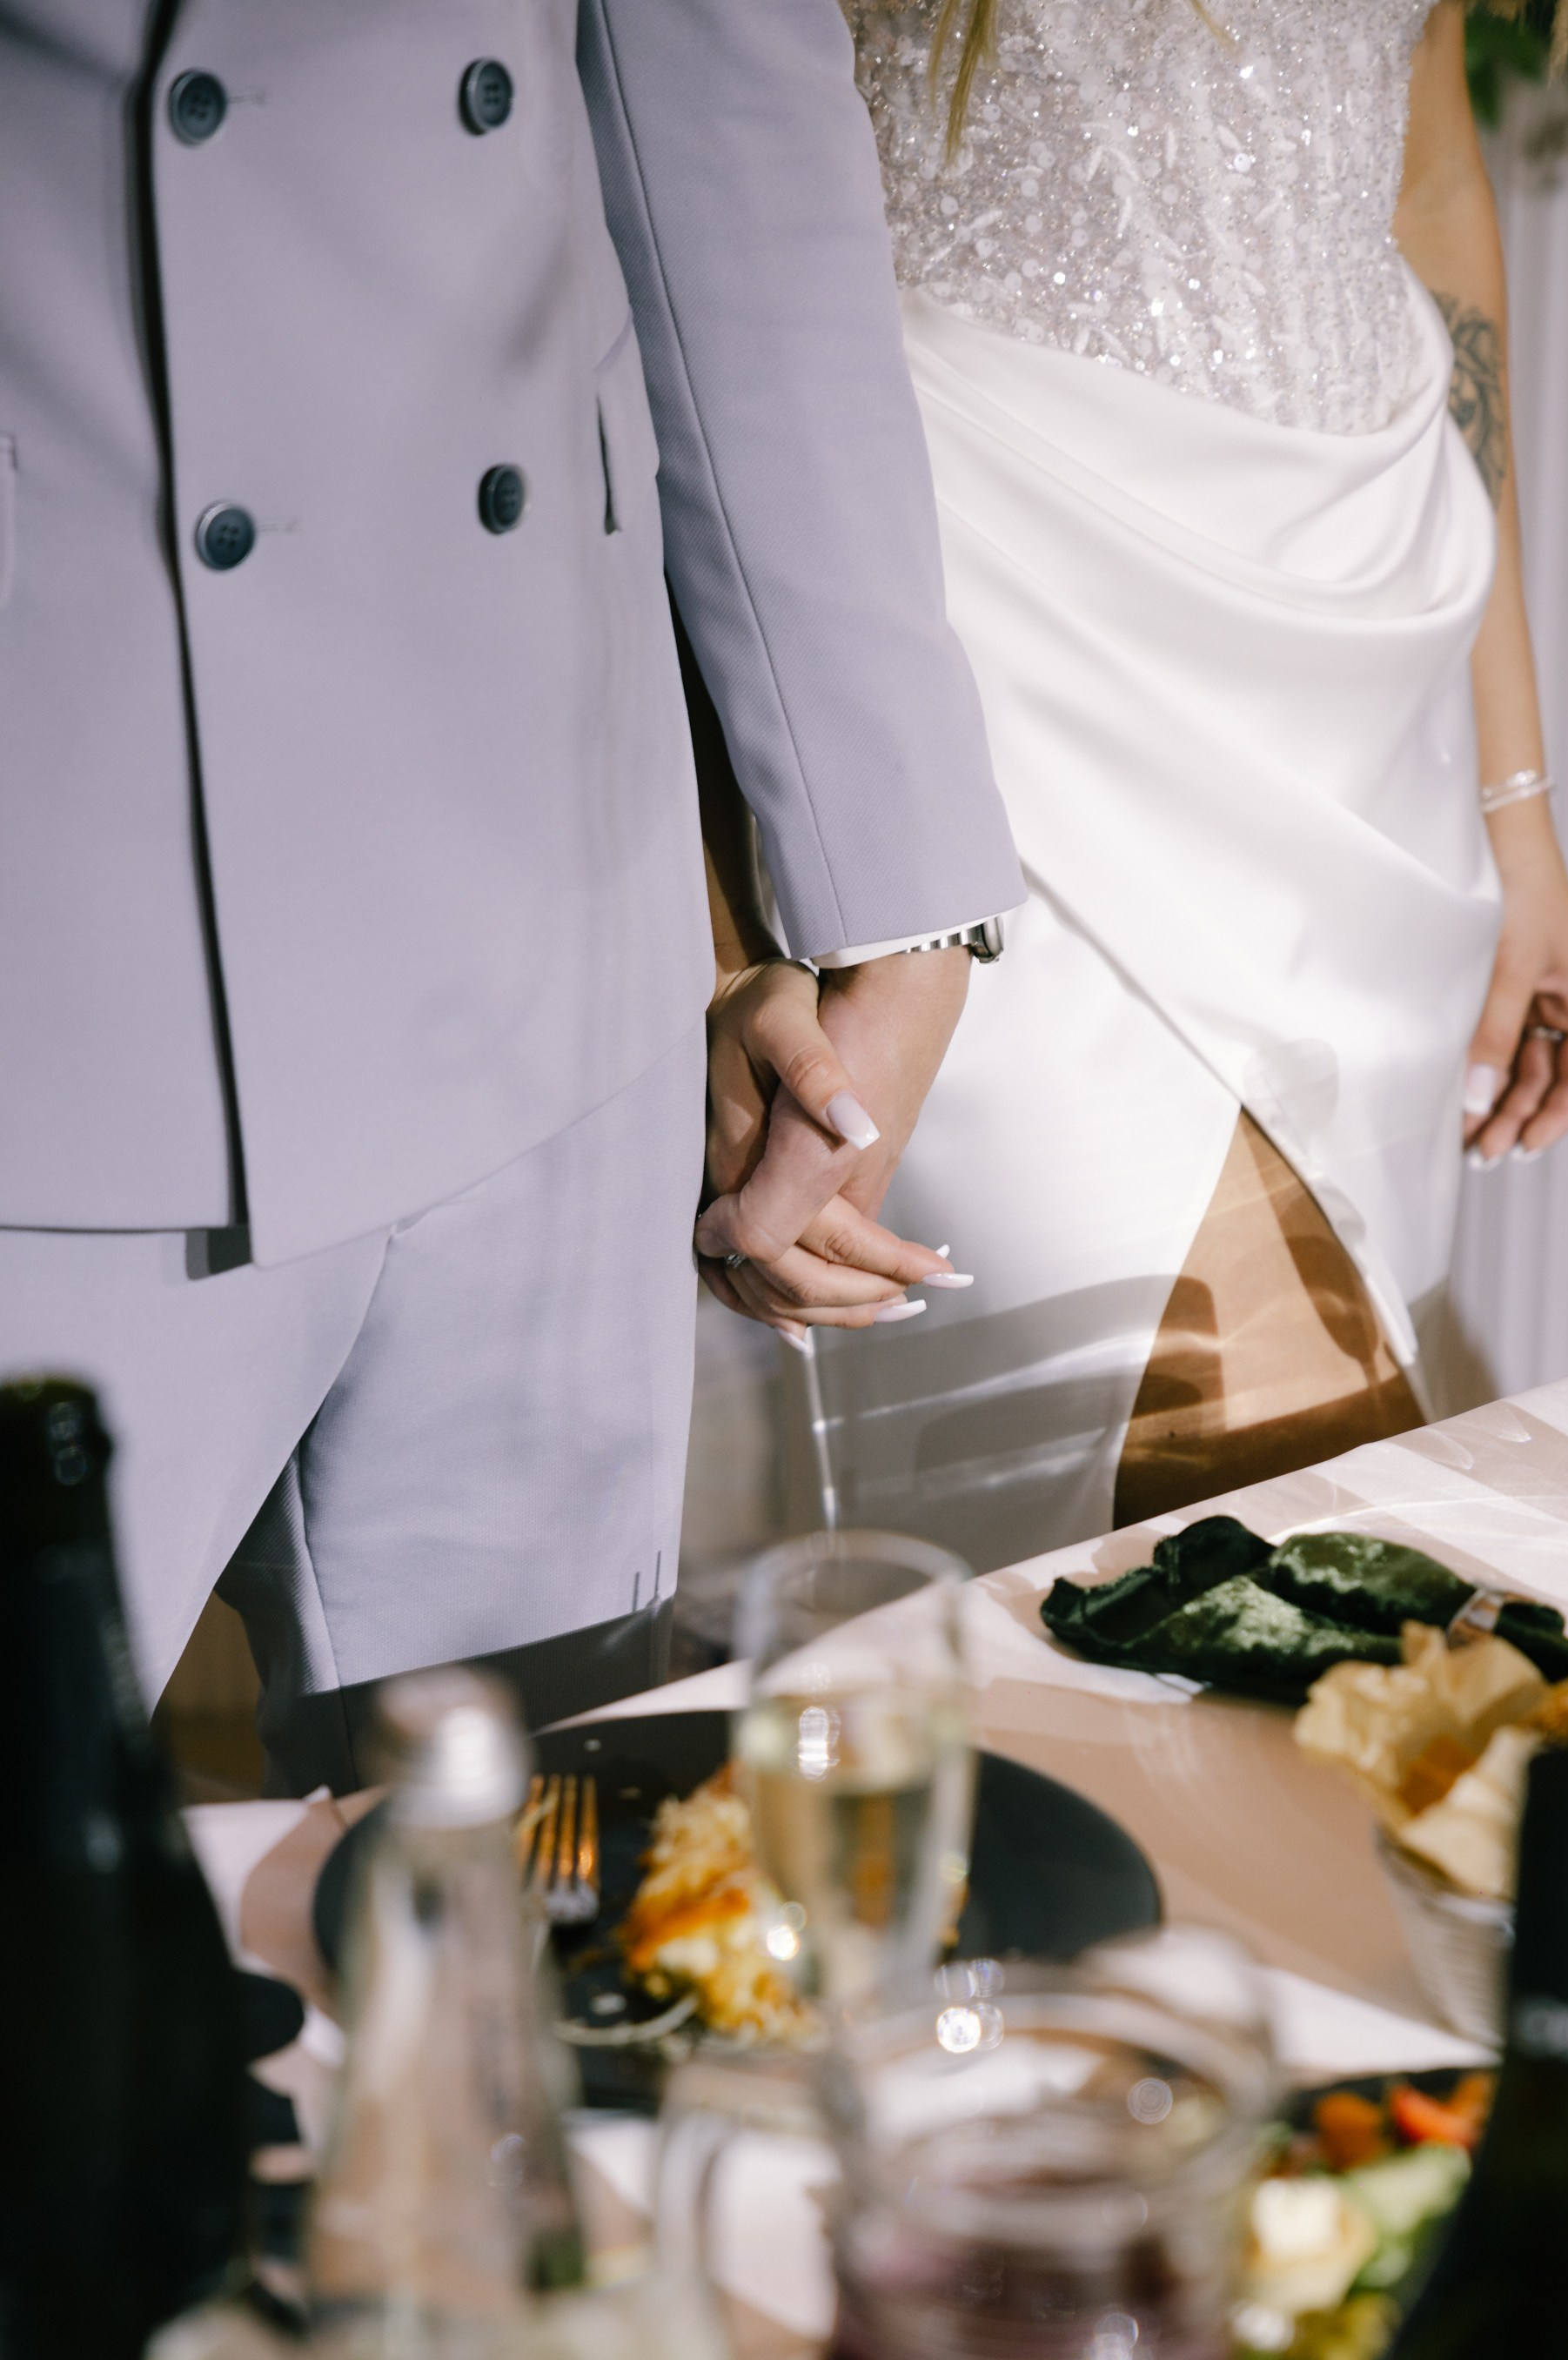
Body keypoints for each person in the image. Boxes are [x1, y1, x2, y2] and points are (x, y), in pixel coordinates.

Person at [0, 0, 1020, 1788]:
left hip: (544, 945)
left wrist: (896, 908)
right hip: (59, 948)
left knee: (528, 1922)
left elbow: (737, 155)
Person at [694, 0, 1568, 1572]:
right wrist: (722, 929)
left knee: (1335, 1456)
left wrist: (1513, 812)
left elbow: (1429, 185)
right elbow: (687, 260)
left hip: (1358, 685)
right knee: (1200, 1468)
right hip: (988, 647)